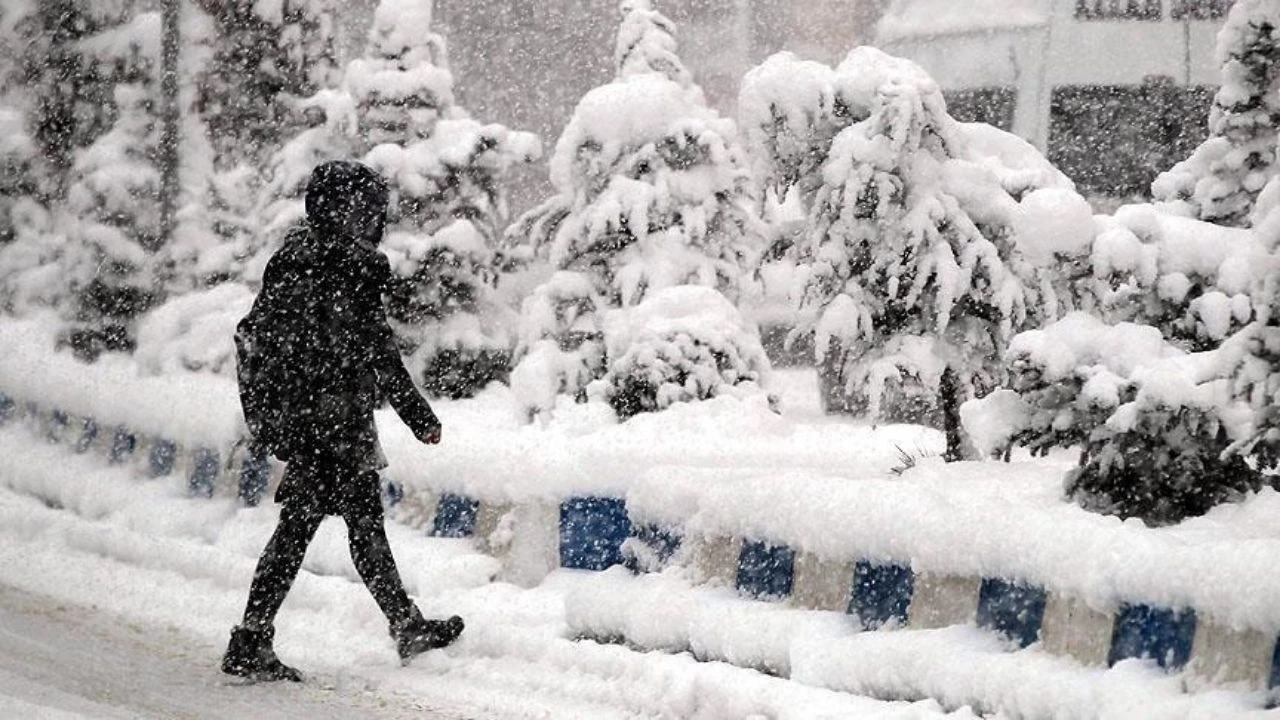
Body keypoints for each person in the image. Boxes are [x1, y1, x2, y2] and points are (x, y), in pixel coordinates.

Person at [222, 161, 464, 682]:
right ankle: (253, 636)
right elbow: (378, 350)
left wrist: (284, 412)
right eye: (367, 210)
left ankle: (402, 625)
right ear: (344, 211)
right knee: (316, 529)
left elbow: (273, 338)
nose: (374, 220)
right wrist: (419, 416)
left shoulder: (296, 259)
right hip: (330, 424)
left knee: (347, 524)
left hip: (312, 419)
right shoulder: (345, 268)